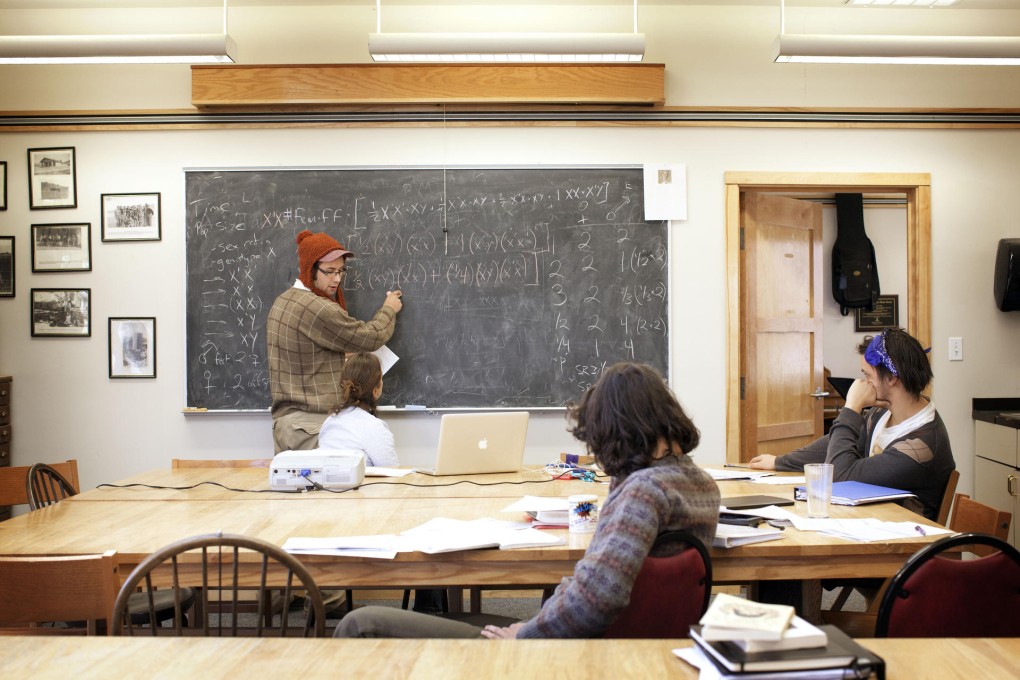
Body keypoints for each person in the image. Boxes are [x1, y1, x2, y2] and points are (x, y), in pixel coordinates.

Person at [333, 361, 721, 639]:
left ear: (620, 430)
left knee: (360, 623)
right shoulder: (701, 485)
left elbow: (599, 598)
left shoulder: (642, 492)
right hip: (635, 646)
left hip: (563, 655)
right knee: (544, 593)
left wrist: (525, 635)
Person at [749, 327, 955, 521]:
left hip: (904, 546)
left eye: (867, 375)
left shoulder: (921, 445)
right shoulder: (883, 412)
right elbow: (839, 443)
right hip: (873, 524)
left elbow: (840, 479)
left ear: (892, 377)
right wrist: (780, 462)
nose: (863, 382)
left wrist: (852, 407)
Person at [267, 229, 403, 453]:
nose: (337, 279)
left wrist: (339, 357)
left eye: (341, 271)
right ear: (311, 270)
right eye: (329, 272)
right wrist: (389, 309)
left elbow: (307, 355)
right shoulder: (315, 307)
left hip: (289, 428)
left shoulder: (283, 301)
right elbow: (371, 337)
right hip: (312, 427)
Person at [318, 352, 398, 467]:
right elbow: (392, 472)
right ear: (375, 391)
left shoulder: (330, 421)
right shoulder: (375, 428)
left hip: (328, 485)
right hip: (363, 485)